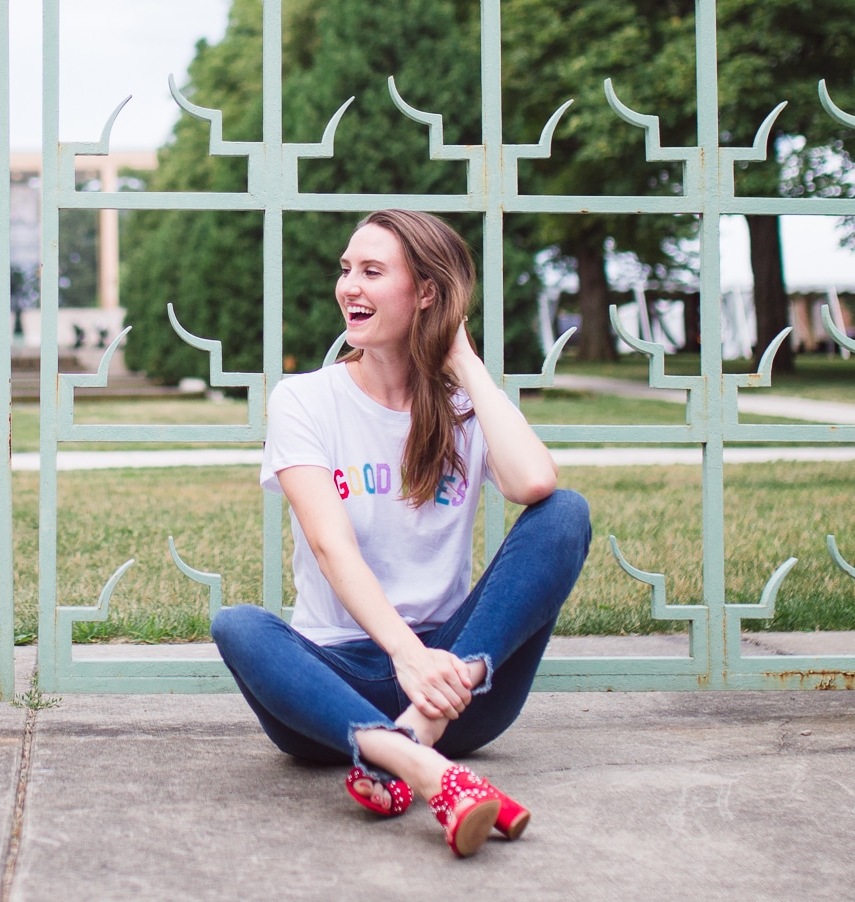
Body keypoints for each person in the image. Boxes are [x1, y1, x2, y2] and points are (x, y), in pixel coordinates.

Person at [211, 210, 591, 858]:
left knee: (565, 513)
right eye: (346, 270)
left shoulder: (463, 407)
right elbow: (332, 547)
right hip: (334, 691)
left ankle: (411, 739)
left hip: (457, 682)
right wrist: (405, 658)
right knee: (238, 625)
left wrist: (466, 365)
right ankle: (424, 769)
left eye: (372, 272)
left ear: (426, 293)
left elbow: (534, 484)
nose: (349, 287)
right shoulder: (304, 401)